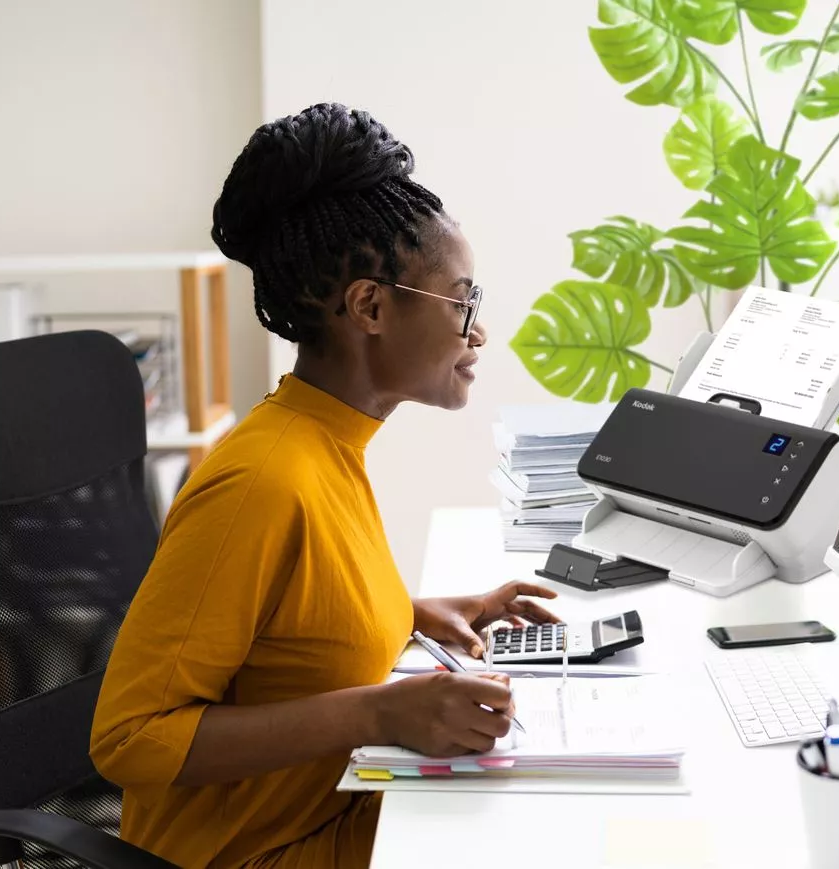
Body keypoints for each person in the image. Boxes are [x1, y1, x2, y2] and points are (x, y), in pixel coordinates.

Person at [90, 102, 558, 869]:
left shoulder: (328, 442)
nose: (478, 332)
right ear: (369, 307)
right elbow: (127, 738)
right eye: (463, 301)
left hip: (335, 819)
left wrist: (411, 613)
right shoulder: (262, 481)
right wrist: (377, 710)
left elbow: (288, 625)